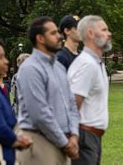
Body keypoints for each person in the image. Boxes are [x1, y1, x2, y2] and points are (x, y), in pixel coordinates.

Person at [17, 16, 79, 165]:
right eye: (53, 33)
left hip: (63, 142)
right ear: (40, 38)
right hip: (39, 142)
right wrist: (65, 142)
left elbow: (71, 104)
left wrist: (74, 135)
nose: (59, 36)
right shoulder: (30, 69)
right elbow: (39, 114)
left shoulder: (58, 67)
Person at [67, 15, 112, 165]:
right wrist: (73, 136)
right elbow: (73, 104)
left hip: (92, 137)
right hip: (84, 137)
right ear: (90, 34)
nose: (109, 34)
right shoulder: (87, 65)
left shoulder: (95, 62)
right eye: (104, 30)